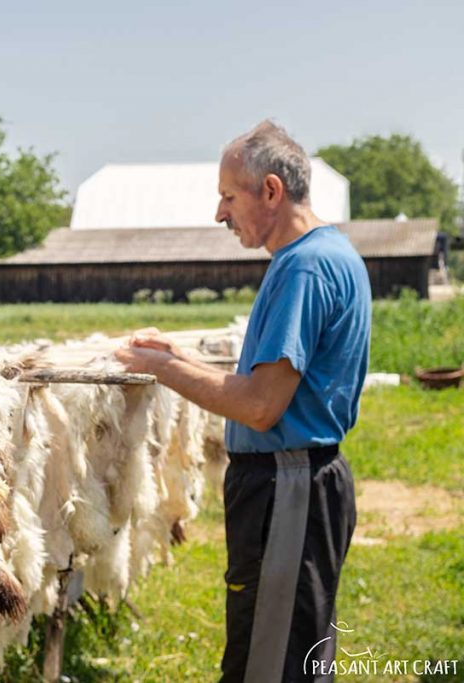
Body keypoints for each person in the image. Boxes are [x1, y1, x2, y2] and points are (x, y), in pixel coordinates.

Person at [114, 120, 370, 682]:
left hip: (288, 487)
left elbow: (259, 406)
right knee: (285, 653)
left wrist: (164, 370)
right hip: (293, 484)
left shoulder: (304, 266)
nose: (219, 213)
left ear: (271, 191)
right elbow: (268, 385)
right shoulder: (324, 254)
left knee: (269, 666)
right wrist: (180, 356)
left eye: (229, 196)